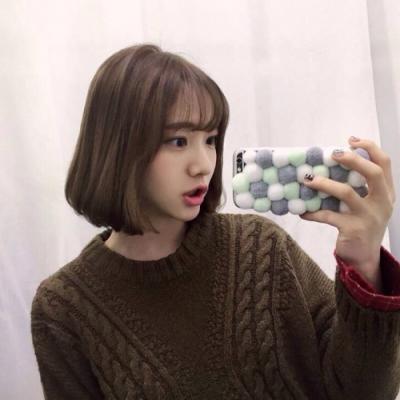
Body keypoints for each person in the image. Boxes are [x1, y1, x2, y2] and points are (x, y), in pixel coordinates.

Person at [30, 43, 400, 400]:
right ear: (118, 146)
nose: (204, 164)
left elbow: (366, 393)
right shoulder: (64, 308)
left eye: (210, 139)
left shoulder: (262, 249)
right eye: (178, 141)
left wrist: (364, 263)